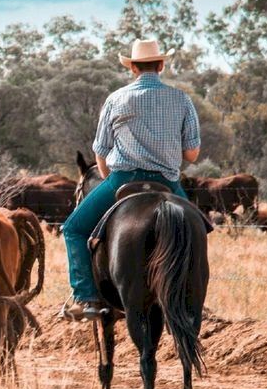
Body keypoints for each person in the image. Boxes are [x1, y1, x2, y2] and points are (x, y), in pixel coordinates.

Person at [60, 38, 201, 321]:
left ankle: (85, 297)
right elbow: (193, 154)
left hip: (122, 179)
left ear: (133, 68)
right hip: (168, 182)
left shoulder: (116, 99)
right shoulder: (182, 99)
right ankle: (192, 295)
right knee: (199, 231)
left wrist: (109, 177)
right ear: (161, 65)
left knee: (73, 229)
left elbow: (100, 151)